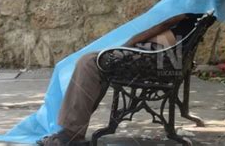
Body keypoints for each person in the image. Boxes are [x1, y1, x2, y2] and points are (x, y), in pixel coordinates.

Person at [39, 13, 202, 146]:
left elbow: (166, 41)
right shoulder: (194, 14)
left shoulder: (186, 17)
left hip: (151, 59)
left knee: (89, 62)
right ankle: (71, 131)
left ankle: (71, 134)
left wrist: (135, 39)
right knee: (90, 61)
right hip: (155, 57)